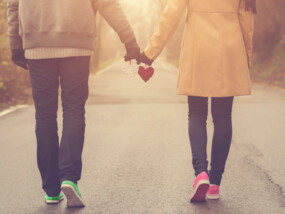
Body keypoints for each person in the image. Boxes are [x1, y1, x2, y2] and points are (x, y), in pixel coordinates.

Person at [7, 0, 140, 207]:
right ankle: (69, 178)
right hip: (77, 40)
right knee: (74, 109)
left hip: (36, 40)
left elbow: (13, 4)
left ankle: (51, 189)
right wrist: (129, 39)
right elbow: (107, 3)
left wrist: (15, 43)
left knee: (44, 115)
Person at [138, 0, 256, 202]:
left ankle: (201, 173)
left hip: (197, 48)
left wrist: (150, 53)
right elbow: (247, 19)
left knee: (196, 114)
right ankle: (215, 183)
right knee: (223, 117)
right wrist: (246, 56)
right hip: (230, 48)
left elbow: (171, 15)